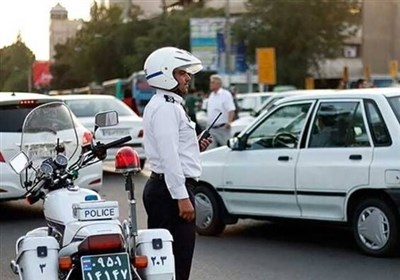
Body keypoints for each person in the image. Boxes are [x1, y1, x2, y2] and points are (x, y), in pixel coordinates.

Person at [141, 46, 211, 280]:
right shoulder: (166, 108)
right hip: (170, 193)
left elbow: (173, 150)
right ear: (166, 73)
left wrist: (195, 146)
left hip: (166, 189)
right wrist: (182, 198)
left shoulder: (168, 104)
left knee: (169, 264)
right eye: (182, 73)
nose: (187, 78)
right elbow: (169, 157)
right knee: (175, 264)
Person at [206, 74, 236, 149]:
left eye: (212, 82)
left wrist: (229, 122)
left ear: (218, 84)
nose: (210, 84)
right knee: (210, 151)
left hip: (222, 128)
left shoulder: (225, 94)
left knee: (226, 148)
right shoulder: (211, 95)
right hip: (211, 129)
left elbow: (231, 109)